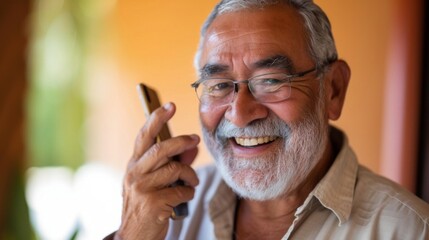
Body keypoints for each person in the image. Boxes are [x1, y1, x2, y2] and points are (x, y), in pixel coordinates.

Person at [106, 0, 429, 239]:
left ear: (332, 90)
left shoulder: (409, 229)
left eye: (272, 81)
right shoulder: (166, 214)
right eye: (219, 85)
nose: (240, 113)